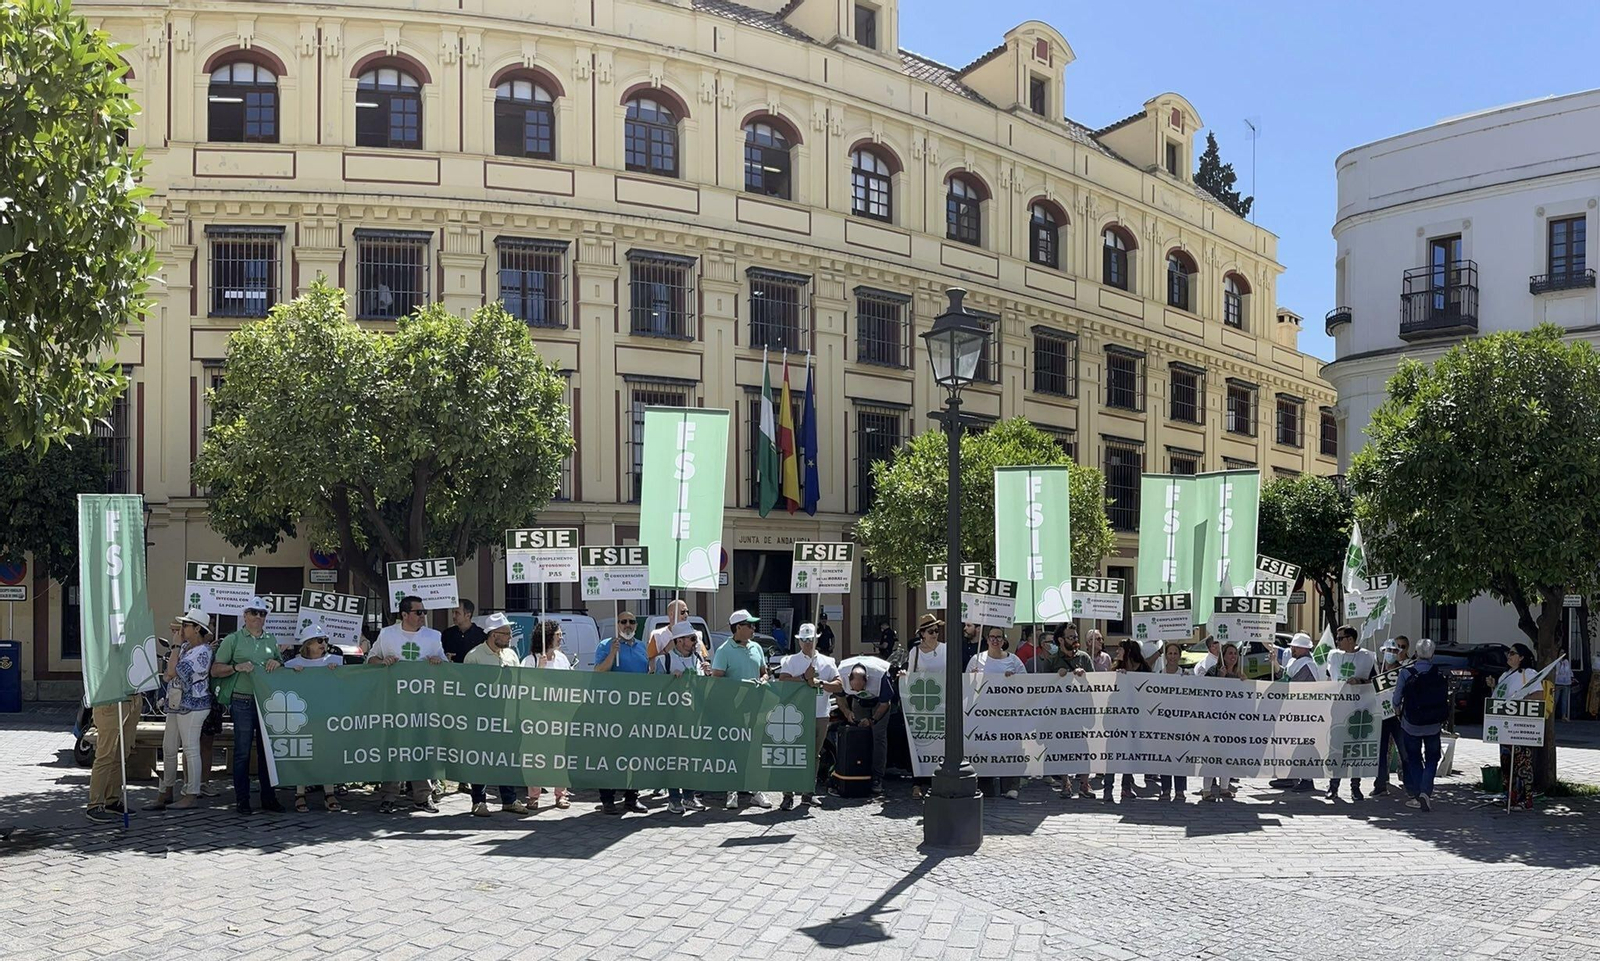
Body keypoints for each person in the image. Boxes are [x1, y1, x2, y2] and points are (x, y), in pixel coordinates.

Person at [369, 596, 445, 813]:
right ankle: (389, 795)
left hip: (422, 703)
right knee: (393, 748)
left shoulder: (433, 636)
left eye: (424, 612)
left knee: (421, 748)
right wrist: (383, 663)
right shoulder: (387, 634)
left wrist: (438, 662)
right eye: (418, 612)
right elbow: (371, 659)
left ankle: (423, 796)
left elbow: (444, 666)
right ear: (404, 615)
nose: (423, 616)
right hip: (394, 703)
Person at [210, 596, 284, 815]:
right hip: (241, 700)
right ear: (245, 615)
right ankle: (242, 799)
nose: (258, 617)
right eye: (254, 612)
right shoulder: (232, 640)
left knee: (267, 752)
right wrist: (236, 667)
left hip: (266, 702)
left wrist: (277, 662)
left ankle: (269, 798)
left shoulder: (271, 640)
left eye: (262, 614)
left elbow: (281, 666)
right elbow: (215, 670)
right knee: (242, 751)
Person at [146, 609, 215, 812]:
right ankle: (166, 790)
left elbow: (172, 672)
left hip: (194, 706)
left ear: (197, 629)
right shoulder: (186, 647)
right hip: (177, 705)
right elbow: (169, 674)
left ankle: (190, 794)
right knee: (168, 748)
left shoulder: (203, 652)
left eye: (186, 625)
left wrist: (175, 647)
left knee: (190, 749)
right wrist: (177, 651)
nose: (182, 628)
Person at [461, 613, 529, 816]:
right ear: (492, 634)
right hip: (482, 718)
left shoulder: (512, 655)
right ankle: (478, 801)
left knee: (507, 759)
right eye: (506, 633)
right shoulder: (474, 656)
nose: (510, 637)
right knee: (481, 759)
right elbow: (467, 690)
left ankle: (509, 799)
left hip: (509, 717)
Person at [777, 623, 843, 811]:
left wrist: (819, 682)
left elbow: (838, 685)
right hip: (795, 714)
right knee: (793, 754)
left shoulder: (827, 662)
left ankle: (808, 792)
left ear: (816, 639)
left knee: (814, 755)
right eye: (804, 640)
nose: (807, 643)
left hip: (820, 714)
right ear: (799, 641)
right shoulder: (790, 661)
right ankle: (788, 794)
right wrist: (803, 679)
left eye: (810, 639)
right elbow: (783, 682)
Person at [714, 610, 773, 810]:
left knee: (755, 748)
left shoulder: (757, 647)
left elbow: (764, 672)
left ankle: (756, 790)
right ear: (738, 627)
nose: (753, 628)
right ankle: (732, 791)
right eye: (750, 625)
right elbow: (717, 678)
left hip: (756, 707)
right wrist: (740, 684)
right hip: (733, 708)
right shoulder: (724, 650)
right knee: (734, 749)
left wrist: (763, 680)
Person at [283, 620, 343, 813]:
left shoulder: (336, 662)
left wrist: (339, 673)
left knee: (327, 754)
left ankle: (329, 792)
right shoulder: (292, 665)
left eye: (324, 640)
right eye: (319, 640)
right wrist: (290, 674)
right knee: (303, 753)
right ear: (308, 644)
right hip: (302, 717)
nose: (323, 644)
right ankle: (300, 793)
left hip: (327, 716)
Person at [595, 611, 651, 815]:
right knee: (610, 755)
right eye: (623, 621)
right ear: (617, 624)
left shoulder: (642, 647)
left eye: (632, 622)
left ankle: (631, 798)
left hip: (636, 712)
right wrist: (612, 653)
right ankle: (608, 799)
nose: (628, 625)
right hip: (612, 712)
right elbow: (599, 672)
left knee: (633, 756)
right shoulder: (605, 645)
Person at [651, 620, 709, 814]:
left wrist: (709, 675)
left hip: (694, 718)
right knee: (674, 760)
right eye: (692, 639)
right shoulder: (664, 661)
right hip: (672, 719)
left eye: (695, 639)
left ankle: (689, 796)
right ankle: (674, 798)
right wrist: (669, 680)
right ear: (679, 641)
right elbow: (653, 690)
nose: (695, 643)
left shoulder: (699, 659)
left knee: (690, 759)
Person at [1391, 637, 1448, 811]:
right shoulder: (1439, 673)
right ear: (1432, 655)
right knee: (1432, 758)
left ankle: (1418, 794)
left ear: (1416, 653)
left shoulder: (1406, 673)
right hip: (1433, 724)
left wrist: (1398, 711)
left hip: (1411, 724)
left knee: (1414, 759)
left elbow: (1396, 698)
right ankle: (1426, 792)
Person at [968, 628, 1025, 799]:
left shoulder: (1014, 660)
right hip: (983, 713)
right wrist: (973, 677)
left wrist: (1013, 678)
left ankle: (1011, 785)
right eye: (992, 637)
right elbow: (967, 685)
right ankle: (986, 785)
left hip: (1008, 713)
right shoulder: (976, 660)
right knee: (985, 747)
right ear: (987, 639)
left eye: (998, 637)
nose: (995, 640)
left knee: (1011, 747)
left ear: (1003, 640)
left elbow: (1025, 683)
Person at [522, 620, 572, 810]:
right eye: (558, 634)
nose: (561, 638)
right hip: (536, 718)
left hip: (559, 716)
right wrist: (539, 669)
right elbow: (524, 688)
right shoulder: (530, 661)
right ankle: (533, 796)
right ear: (547, 637)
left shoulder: (562, 659)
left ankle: (561, 794)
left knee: (559, 756)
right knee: (535, 757)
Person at [1325, 624, 1376, 801]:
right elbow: (1327, 677)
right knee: (1337, 748)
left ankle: (1355, 787)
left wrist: (1360, 680)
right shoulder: (1333, 656)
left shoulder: (1367, 657)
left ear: (1351, 639)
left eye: (1340, 638)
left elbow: (1375, 681)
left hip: (1359, 711)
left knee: (1356, 750)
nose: (1337, 642)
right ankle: (1333, 785)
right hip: (1339, 709)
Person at [1104, 641, 1152, 802]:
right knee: (1111, 755)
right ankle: (1107, 789)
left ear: (1129, 651)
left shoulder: (1144, 669)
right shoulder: (1115, 668)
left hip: (1135, 719)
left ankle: (1126, 787)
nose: (1117, 651)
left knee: (1128, 753)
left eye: (1120, 648)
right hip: (1115, 718)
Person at [837, 665, 895, 797]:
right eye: (853, 688)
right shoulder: (841, 674)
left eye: (861, 687)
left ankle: (877, 777)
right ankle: (858, 771)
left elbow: (885, 703)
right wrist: (847, 712)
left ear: (867, 680)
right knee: (858, 735)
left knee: (878, 736)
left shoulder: (880, 676)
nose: (857, 689)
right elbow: (839, 697)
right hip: (859, 701)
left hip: (879, 702)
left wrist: (872, 720)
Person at [1496, 643, 1541, 808]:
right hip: (1505, 726)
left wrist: (1519, 701)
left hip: (1521, 726)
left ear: (1521, 657)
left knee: (1522, 763)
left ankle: (1524, 798)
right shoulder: (1504, 675)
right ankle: (1509, 796)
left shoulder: (1529, 674)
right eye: (1508, 653)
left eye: (1513, 653)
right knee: (1506, 762)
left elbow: (1538, 695)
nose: (1509, 656)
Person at [906, 614, 946, 800]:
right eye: (931, 631)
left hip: (943, 703)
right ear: (922, 633)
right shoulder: (915, 652)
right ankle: (917, 783)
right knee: (920, 742)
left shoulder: (946, 649)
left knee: (939, 743)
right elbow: (910, 675)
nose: (935, 634)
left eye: (937, 631)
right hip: (922, 703)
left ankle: (936, 781)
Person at [1201, 643, 1245, 800]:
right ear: (1223, 656)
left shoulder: (1239, 674)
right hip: (1213, 721)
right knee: (1211, 755)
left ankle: (1224, 787)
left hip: (1231, 722)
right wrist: (1220, 678)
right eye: (1230, 653)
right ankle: (1206, 790)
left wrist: (1244, 682)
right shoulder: (1213, 671)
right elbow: (1205, 692)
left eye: (1235, 653)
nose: (1233, 656)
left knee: (1228, 754)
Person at [1151, 640, 1191, 801]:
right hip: (1163, 724)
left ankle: (1180, 790)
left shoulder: (1186, 675)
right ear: (1165, 655)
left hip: (1181, 724)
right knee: (1165, 757)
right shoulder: (1159, 675)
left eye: (1175, 653)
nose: (1172, 656)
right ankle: (1165, 789)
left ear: (1180, 656)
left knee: (1180, 757)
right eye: (1170, 653)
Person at [1373, 639, 1404, 796]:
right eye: (1388, 651)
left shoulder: (1402, 671)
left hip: (1397, 717)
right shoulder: (1377, 670)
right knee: (1381, 751)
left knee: (1403, 750)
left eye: (1393, 651)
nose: (1390, 654)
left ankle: (1410, 783)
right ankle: (1380, 785)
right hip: (1381, 717)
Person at [441, 599, 485, 664]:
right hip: (451, 672)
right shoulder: (447, 634)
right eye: (452, 612)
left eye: (457, 613)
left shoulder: (481, 635)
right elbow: (440, 653)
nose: (453, 616)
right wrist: (445, 657)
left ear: (468, 615)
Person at [1554, 654, 1574, 720]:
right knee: (1555, 699)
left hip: (1566, 682)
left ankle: (1563, 715)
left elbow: (1569, 670)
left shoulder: (1566, 661)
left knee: (1564, 700)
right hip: (1557, 682)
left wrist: (1571, 677)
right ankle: (1552, 715)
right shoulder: (1556, 662)